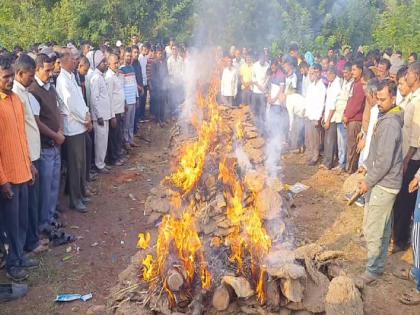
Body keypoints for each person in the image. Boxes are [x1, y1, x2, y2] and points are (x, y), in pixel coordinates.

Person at [357, 79, 403, 285]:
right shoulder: (386, 117)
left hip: (385, 183)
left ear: (393, 97)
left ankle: (373, 270)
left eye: (383, 99)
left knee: (374, 228)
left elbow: (384, 161)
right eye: (377, 98)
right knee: (383, 227)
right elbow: (377, 152)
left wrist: (368, 180)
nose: (378, 102)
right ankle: (379, 265)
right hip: (385, 181)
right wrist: (367, 164)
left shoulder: (391, 123)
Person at [0, 54, 38, 281]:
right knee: (10, 225)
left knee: (22, 219)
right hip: (8, 178)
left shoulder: (16, 100)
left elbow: (22, 136)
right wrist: (3, 180)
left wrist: (30, 164)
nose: (10, 80)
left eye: (11, 75)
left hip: (23, 170)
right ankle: (12, 264)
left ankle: (21, 255)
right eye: (5, 77)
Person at [12, 54, 48, 254]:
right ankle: (31, 242)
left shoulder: (23, 91)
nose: (33, 79)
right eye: (30, 75)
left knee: (33, 201)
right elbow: (20, 132)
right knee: (29, 203)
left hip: (34, 152)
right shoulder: (15, 95)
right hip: (28, 157)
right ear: (20, 73)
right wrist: (28, 160)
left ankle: (33, 237)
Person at [28, 53, 65, 233]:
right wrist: (55, 135)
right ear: (37, 69)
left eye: (51, 70)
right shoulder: (33, 90)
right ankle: (44, 223)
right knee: (45, 186)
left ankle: (50, 217)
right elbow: (37, 122)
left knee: (53, 184)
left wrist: (61, 131)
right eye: (47, 70)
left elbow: (57, 110)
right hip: (45, 146)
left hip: (56, 142)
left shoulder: (50, 86)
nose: (50, 73)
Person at [56, 52, 92, 212]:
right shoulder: (62, 80)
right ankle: (75, 200)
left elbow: (80, 100)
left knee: (82, 163)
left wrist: (87, 114)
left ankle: (81, 194)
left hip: (80, 126)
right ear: (64, 61)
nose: (76, 61)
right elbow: (71, 105)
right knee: (75, 165)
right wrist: (85, 119)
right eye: (73, 59)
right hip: (73, 128)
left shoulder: (71, 76)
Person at [392, 62, 420, 252]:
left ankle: (401, 239)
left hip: (412, 158)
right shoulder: (410, 98)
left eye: (409, 73)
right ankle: (397, 236)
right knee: (400, 199)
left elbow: (416, 138)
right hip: (404, 156)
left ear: (416, 76)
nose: (406, 76)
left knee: (405, 201)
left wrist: (406, 160)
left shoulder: (418, 100)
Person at [89, 50, 114, 173]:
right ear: (98, 63)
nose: (106, 64)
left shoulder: (100, 76)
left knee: (104, 141)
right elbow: (94, 99)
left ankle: (102, 162)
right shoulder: (95, 78)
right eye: (103, 62)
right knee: (100, 141)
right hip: (100, 116)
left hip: (105, 115)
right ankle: (99, 164)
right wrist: (98, 116)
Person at [344, 61, 365, 174]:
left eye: (354, 70)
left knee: (353, 147)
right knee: (350, 146)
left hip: (355, 120)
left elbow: (357, 104)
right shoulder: (354, 83)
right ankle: (350, 168)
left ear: (360, 70)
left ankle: (351, 171)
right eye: (351, 70)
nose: (352, 72)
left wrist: (347, 115)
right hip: (351, 118)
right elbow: (350, 100)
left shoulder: (361, 85)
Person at [332, 62, 353, 172]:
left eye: (347, 72)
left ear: (351, 72)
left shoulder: (352, 84)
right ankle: (341, 162)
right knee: (340, 141)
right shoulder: (344, 82)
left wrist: (346, 115)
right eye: (343, 72)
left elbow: (349, 101)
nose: (345, 74)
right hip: (338, 115)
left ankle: (343, 164)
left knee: (344, 142)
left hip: (344, 117)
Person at [304, 63, 326, 166]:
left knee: (316, 138)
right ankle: (312, 154)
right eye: (313, 72)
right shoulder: (311, 86)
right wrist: (306, 113)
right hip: (309, 114)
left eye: (316, 72)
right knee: (310, 137)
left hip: (316, 116)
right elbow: (307, 101)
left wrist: (318, 117)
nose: (314, 74)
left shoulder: (322, 86)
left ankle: (316, 156)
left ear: (320, 73)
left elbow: (321, 103)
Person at [105, 53, 126, 166]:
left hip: (120, 109)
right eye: (115, 63)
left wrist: (124, 104)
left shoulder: (118, 74)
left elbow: (120, 91)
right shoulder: (109, 77)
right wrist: (112, 115)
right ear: (109, 64)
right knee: (113, 136)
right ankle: (113, 158)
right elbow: (108, 97)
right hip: (114, 112)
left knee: (118, 135)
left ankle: (118, 155)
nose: (117, 65)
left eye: (118, 62)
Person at [320, 66, 341, 169]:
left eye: (328, 75)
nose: (327, 77)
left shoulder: (336, 85)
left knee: (330, 140)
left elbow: (333, 105)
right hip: (328, 115)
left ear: (333, 74)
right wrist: (324, 116)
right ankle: (326, 161)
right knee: (327, 140)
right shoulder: (331, 83)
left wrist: (328, 119)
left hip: (332, 118)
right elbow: (327, 102)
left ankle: (328, 163)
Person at [120, 48, 139, 150]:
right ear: (124, 57)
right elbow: (121, 87)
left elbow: (135, 83)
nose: (129, 57)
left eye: (130, 56)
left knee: (132, 121)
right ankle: (126, 141)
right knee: (126, 123)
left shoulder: (132, 68)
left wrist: (137, 97)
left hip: (133, 99)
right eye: (127, 56)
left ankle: (131, 140)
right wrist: (125, 102)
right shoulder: (121, 69)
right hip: (127, 100)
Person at [151, 48, 169, 126]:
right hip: (157, 87)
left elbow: (167, 73)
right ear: (156, 54)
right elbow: (153, 76)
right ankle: (157, 119)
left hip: (164, 86)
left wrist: (166, 83)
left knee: (163, 103)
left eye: (161, 54)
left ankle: (162, 118)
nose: (160, 55)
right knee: (157, 103)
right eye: (158, 54)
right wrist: (157, 85)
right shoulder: (154, 63)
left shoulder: (164, 62)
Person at [251, 54, 269, 125]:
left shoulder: (267, 65)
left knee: (262, 109)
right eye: (261, 60)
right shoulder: (255, 65)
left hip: (263, 92)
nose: (263, 61)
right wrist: (258, 85)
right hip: (256, 91)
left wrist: (264, 86)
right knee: (255, 110)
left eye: (264, 60)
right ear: (259, 59)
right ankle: (254, 125)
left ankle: (263, 125)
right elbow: (253, 77)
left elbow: (268, 77)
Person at [167, 45, 185, 116]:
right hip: (173, 82)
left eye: (176, 49)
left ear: (177, 50)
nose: (174, 51)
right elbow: (169, 72)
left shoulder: (180, 59)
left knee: (179, 97)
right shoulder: (169, 60)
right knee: (173, 98)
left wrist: (180, 77)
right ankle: (173, 113)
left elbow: (183, 70)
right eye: (173, 49)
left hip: (179, 82)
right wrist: (175, 76)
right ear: (171, 51)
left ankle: (179, 113)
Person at [131, 45, 144, 134]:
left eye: (137, 52)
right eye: (134, 52)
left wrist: (141, 87)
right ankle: (133, 131)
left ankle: (135, 128)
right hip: (132, 92)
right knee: (133, 113)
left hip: (139, 90)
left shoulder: (138, 63)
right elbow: (132, 80)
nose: (136, 54)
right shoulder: (130, 65)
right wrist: (139, 87)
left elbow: (140, 76)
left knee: (137, 110)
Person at [139, 44, 150, 121]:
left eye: (146, 49)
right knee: (141, 100)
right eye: (144, 49)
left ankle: (143, 115)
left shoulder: (146, 58)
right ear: (141, 50)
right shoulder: (139, 58)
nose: (146, 51)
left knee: (144, 99)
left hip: (145, 81)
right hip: (141, 82)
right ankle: (140, 116)